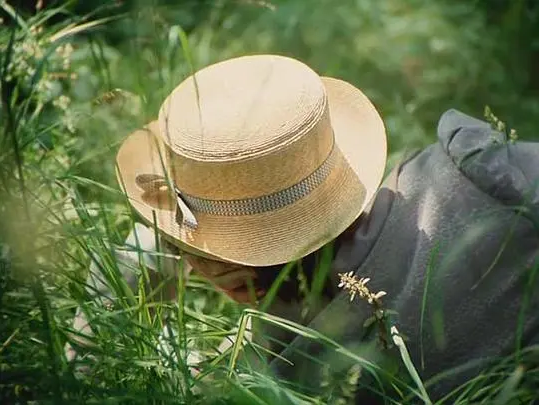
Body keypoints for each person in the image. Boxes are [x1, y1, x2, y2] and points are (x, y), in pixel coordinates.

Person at [66, 54, 539, 401]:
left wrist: (138, 259)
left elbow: (83, 378)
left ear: (234, 282)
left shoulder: (303, 376)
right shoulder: (477, 175)